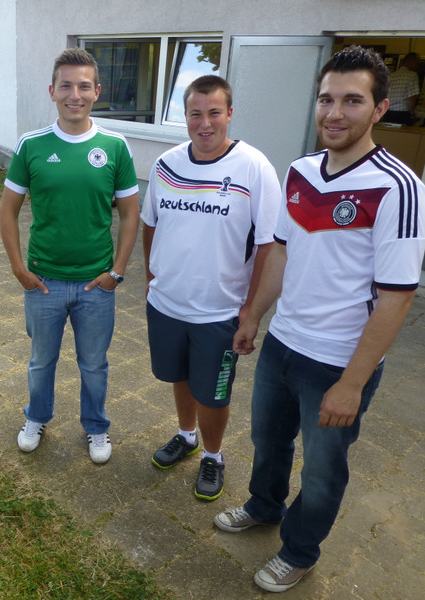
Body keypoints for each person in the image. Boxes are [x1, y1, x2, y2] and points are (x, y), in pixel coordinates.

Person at [215, 45, 425, 593]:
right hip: (283, 344)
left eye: (352, 101)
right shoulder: (302, 171)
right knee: (268, 441)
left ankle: (299, 550)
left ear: (380, 109)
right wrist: (253, 316)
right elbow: (283, 252)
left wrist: (352, 383)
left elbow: (397, 298)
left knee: (323, 470)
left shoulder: (399, 187)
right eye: (326, 99)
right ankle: (264, 506)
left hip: (337, 363)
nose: (334, 113)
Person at [142, 75, 282, 501]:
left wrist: (251, 312)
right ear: (184, 116)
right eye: (195, 114)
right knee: (180, 376)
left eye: (214, 113)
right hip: (167, 304)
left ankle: (213, 456)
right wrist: (151, 278)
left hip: (219, 312)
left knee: (214, 394)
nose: (205, 123)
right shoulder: (166, 164)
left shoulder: (253, 167)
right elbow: (150, 223)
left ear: (230, 114)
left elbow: (269, 246)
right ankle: (187, 436)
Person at [0, 47, 140, 464]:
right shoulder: (32, 145)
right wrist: (18, 268)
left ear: (97, 91)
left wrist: (117, 272)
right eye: (65, 86)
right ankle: (36, 417)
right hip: (43, 282)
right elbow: (7, 211)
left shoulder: (115, 146)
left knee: (94, 364)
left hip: (96, 284)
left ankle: (96, 426)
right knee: (41, 361)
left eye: (83, 86)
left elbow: (131, 214)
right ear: (52, 91)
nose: (74, 95)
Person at [383, 51, 420, 125]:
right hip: (402, 115)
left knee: (388, 132)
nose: (417, 66)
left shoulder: (391, 76)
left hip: (388, 113)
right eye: (417, 64)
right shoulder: (412, 75)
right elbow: (411, 97)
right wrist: (412, 112)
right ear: (410, 62)